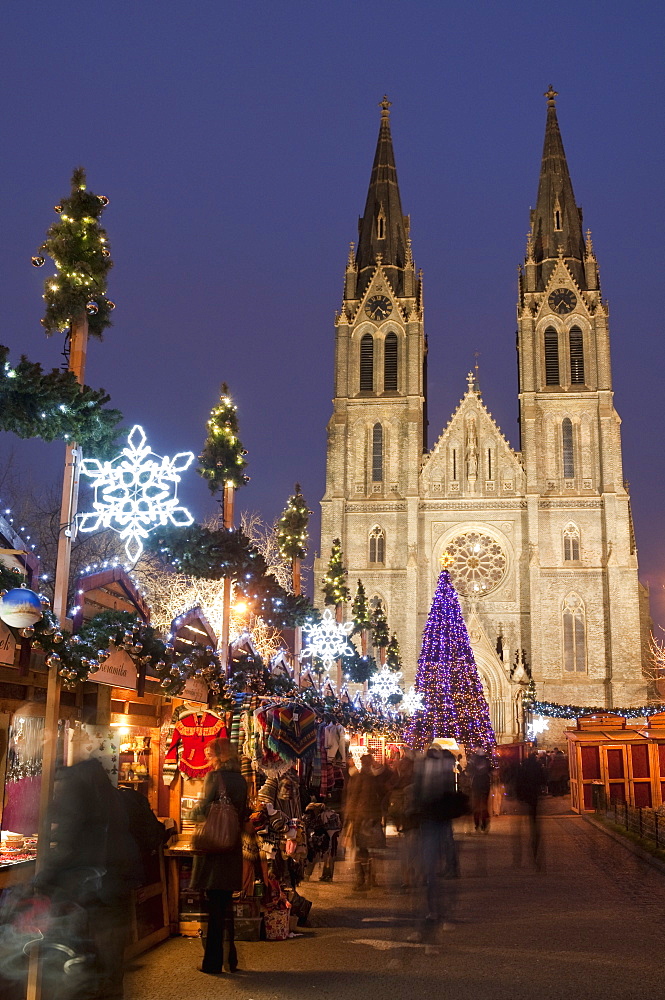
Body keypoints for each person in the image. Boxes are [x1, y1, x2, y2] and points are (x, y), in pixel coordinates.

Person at [36, 753, 144, 1000]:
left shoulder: (75, 792)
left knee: (84, 964)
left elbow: (67, 842)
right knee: (111, 961)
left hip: (91, 890)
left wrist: (43, 878)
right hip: (116, 887)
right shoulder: (115, 797)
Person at [190, 738, 247, 976]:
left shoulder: (214, 778)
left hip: (214, 851)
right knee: (226, 909)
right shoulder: (242, 780)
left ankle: (212, 963)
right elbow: (242, 813)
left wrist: (192, 811)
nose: (206, 757)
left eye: (209, 753)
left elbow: (202, 809)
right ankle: (230, 960)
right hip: (231, 848)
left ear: (219, 754)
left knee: (213, 910)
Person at [412, 745, 459, 924]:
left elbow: (418, 794)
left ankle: (434, 908)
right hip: (435, 820)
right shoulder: (441, 769)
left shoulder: (425, 768)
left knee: (431, 865)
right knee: (432, 864)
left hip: (433, 820)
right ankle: (435, 907)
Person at [344, 753, 385, 891]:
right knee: (368, 849)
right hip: (368, 818)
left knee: (362, 849)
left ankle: (362, 878)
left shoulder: (360, 778)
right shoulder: (373, 779)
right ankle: (369, 878)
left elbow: (353, 798)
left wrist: (350, 817)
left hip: (361, 818)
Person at [468, 750, 492, 832]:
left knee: (476, 805)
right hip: (485, 784)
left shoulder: (473, 761)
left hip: (476, 785)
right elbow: (490, 771)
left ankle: (477, 824)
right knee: (484, 805)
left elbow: (470, 772)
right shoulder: (487, 761)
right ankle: (484, 824)